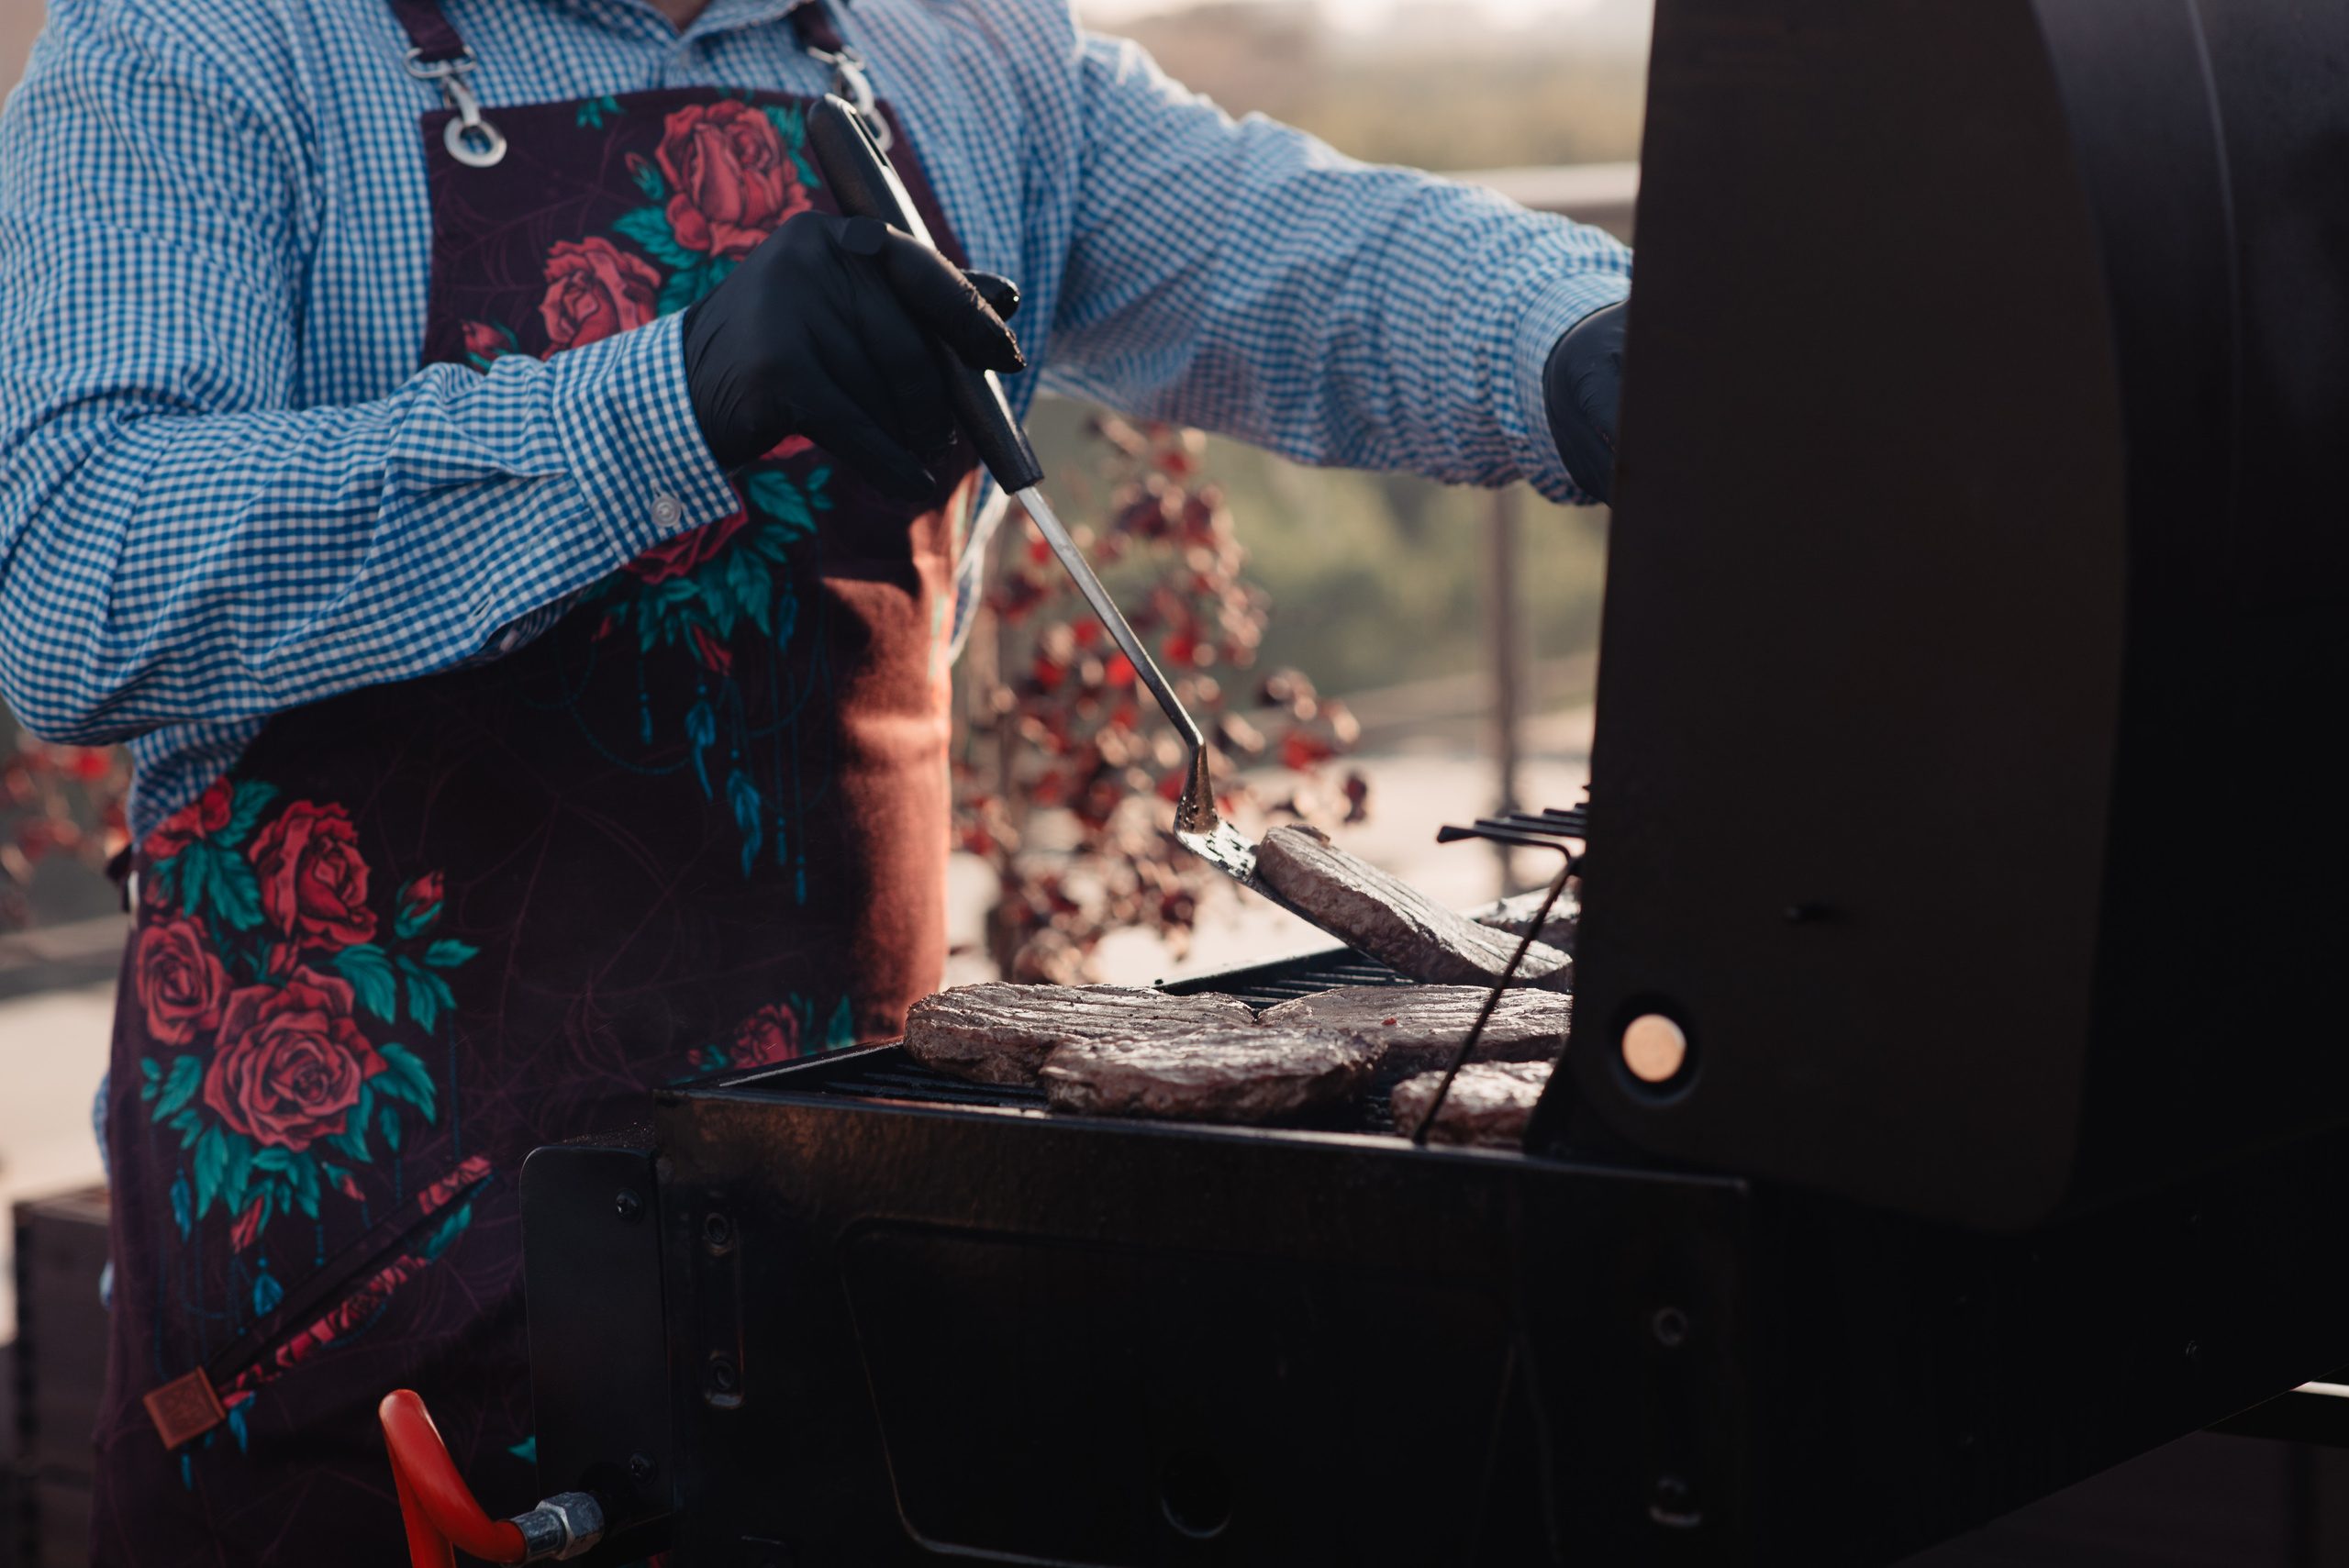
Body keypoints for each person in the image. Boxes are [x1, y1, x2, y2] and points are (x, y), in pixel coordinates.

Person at [0, 0, 1630, 1558]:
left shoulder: (960, 47)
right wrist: (672, 397)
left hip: (830, 1258)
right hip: (346, 1327)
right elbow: (76, 577)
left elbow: (1307, 252)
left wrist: (1600, 347)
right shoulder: (205, 37)